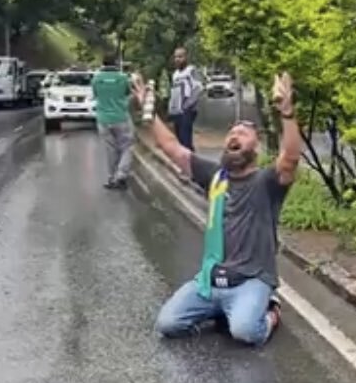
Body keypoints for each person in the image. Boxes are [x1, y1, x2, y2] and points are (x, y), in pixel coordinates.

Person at [137, 72, 302, 347]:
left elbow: (291, 158)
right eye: (231, 133)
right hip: (210, 281)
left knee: (246, 332)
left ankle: (270, 310)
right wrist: (148, 110)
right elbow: (172, 148)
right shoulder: (215, 177)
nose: (234, 135)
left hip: (251, 280)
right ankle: (220, 309)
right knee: (168, 324)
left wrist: (286, 112)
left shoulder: (266, 182)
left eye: (243, 133)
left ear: (255, 147)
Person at [92, 54, 138, 190]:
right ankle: (121, 174)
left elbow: (95, 95)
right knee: (127, 146)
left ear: (103, 63)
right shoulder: (123, 78)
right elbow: (128, 93)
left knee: (110, 150)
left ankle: (112, 178)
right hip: (121, 117)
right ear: (116, 63)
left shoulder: (96, 79)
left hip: (103, 119)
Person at [167, 47, 203, 151]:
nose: (177, 59)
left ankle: (190, 162)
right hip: (177, 110)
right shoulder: (175, 74)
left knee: (186, 139)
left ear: (186, 57)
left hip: (187, 110)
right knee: (179, 139)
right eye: (176, 57)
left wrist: (187, 105)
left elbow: (198, 88)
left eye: (180, 56)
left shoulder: (191, 70)